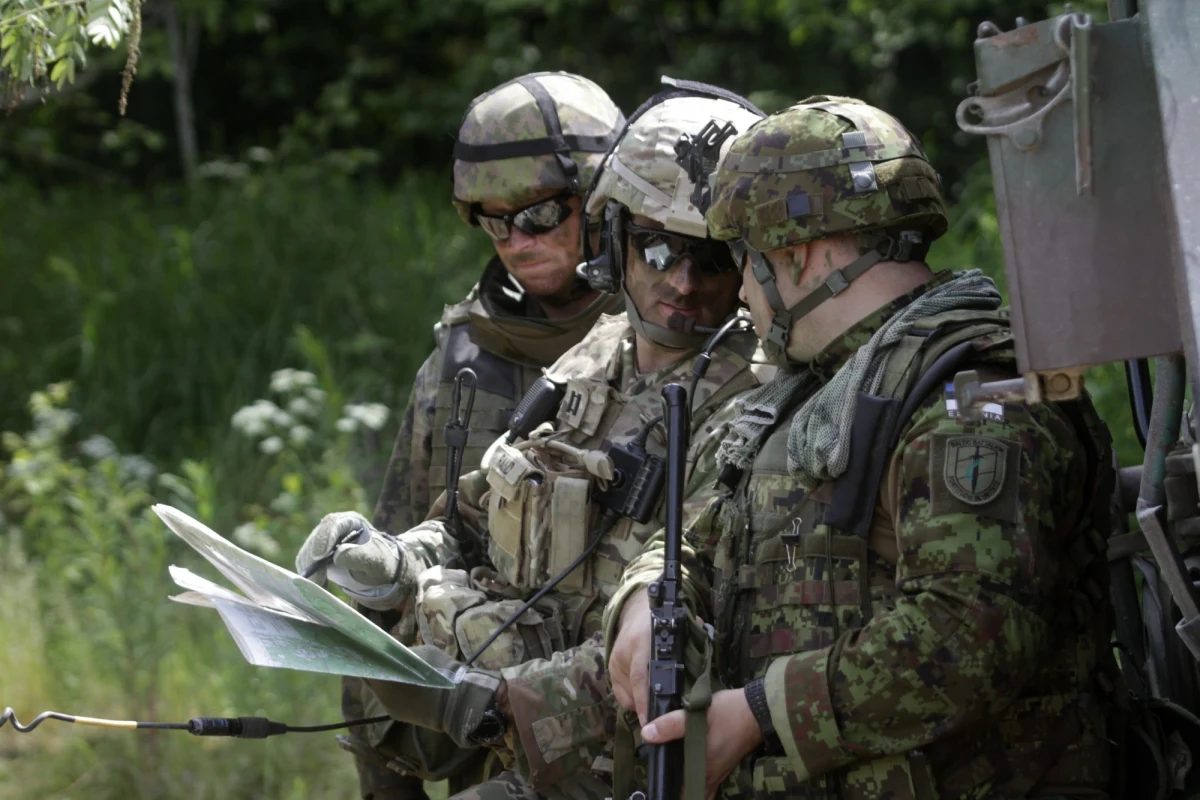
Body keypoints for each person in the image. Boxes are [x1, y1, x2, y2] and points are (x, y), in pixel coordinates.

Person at [605, 96, 1119, 799]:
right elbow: (704, 529)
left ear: (798, 254)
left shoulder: (977, 394)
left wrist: (760, 714)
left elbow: (973, 631)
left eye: (744, 262)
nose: (743, 296)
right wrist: (644, 599)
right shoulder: (821, 388)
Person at [298, 84, 768, 799]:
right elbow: (474, 517)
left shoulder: (760, 399)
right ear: (616, 238)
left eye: (712, 259)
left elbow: (698, 630)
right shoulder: (593, 357)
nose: (682, 281)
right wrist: (395, 562)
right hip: (514, 759)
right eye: (658, 247)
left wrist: (504, 702)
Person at [300, 71, 625, 800]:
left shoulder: (679, 353)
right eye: (491, 219)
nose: (514, 241)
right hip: (483, 752)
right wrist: (386, 784)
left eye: (538, 214)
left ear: (605, 199)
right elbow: (382, 607)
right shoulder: (462, 363)